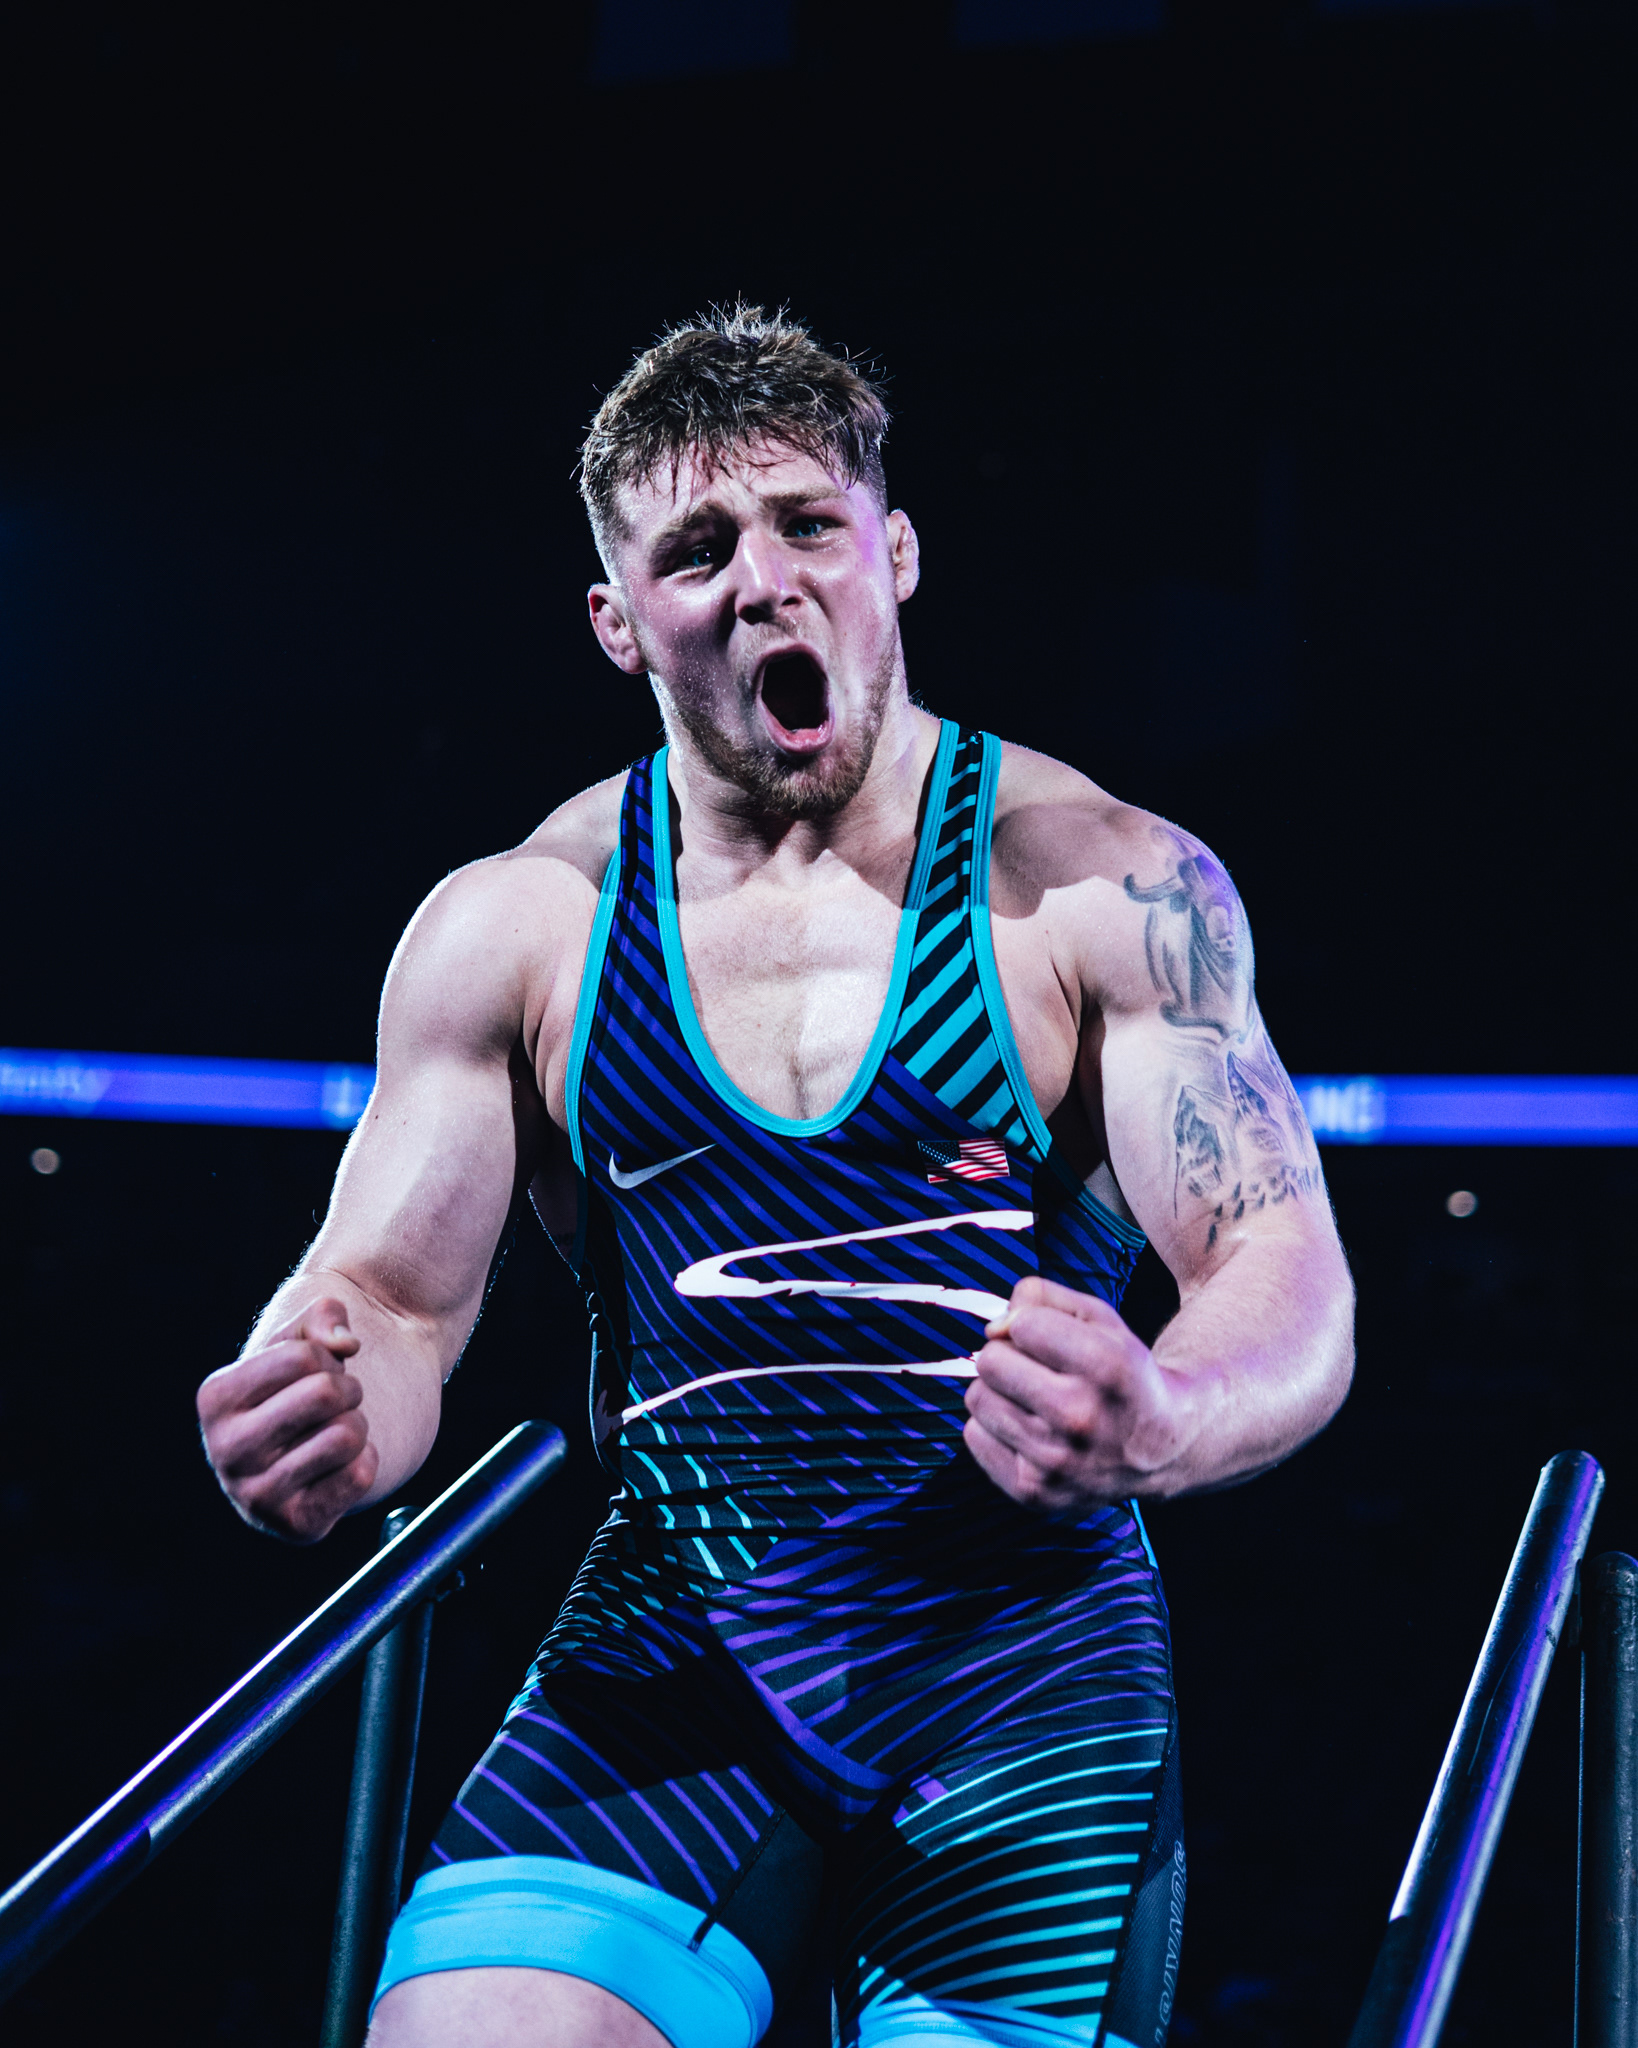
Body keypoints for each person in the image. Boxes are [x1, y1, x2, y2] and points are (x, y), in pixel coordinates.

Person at [196, 305, 1354, 2048]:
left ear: (894, 553)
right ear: (617, 620)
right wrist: (325, 1396)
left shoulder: (1101, 887)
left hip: (1021, 1668)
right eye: (695, 551)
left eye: (809, 523)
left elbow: (1279, 1262)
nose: (764, 582)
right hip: (674, 1647)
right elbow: (390, 1295)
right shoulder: (520, 926)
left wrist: (1168, 1415)